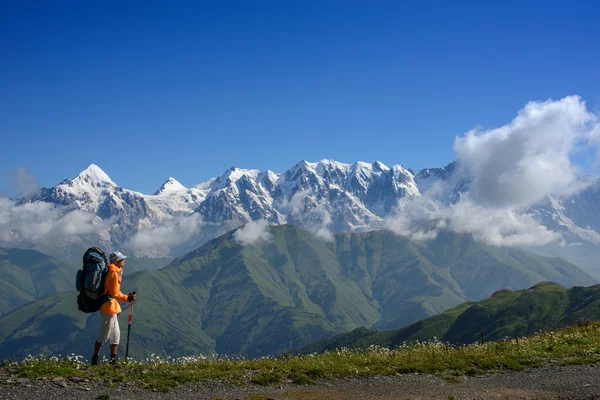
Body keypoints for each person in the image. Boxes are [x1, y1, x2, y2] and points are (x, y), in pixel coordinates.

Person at [91, 251, 136, 365]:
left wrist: (127, 297)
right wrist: (128, 297)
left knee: (116, 334)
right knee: (104, 335)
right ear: (117, 261)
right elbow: (115, 293)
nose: (124, 261)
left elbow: (114, 293)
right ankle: (95, 359)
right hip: (108, 308)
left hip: (112, 306)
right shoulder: (113, 274)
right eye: (122, 259)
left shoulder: (115, 272)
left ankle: (113, 359)